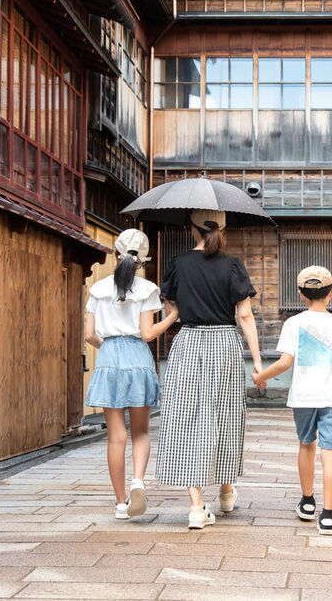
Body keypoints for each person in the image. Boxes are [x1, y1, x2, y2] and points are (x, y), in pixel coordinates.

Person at [155, 209, 263, 530]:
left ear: (192, 229)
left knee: (187, 417)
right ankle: (226, 492)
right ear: (223, 229)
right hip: (224, 344)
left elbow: (170, 306)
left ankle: (196, 507)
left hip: (188, 342)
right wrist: (258, 361)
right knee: (225, 415)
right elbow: (245, 316)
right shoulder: (233, 266)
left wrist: (181, 308)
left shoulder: (178, 264)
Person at [252, 266, 332, 536]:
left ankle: (308, 502)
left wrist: (260, 377)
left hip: (303, 397)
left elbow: (284, 362)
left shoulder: (293, 323)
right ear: (331, 293)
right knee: (330, 453)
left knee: (306, 445)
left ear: (301, 294)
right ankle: (328, 516)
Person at [84, 229, 178, 521]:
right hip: (138, 357)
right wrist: (173, 316)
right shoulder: (148, 289)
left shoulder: (97, 289)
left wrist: (109, 347)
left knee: (116, 437)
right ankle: (138, 480)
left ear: (116, 254)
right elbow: (147, 334)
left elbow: (89, 335)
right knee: (141, 431)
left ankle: (120, 503)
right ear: (143, 261)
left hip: (109, 358)